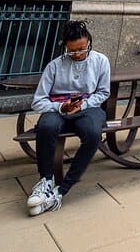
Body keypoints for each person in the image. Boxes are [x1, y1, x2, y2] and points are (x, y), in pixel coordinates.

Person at [26, 20, 111, 216]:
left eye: (82, 49)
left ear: (89, 42)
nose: (78, 54)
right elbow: (37, 101)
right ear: (65, 47)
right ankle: (46, 180)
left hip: (88, 107)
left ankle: (62, 189)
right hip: (58, 108)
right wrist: (60, 106)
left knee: (92, 132)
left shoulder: (100, 61)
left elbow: (103, 92)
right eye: (72, 51)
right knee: (46, 126)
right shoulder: (54, 66)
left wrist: (83, 104)